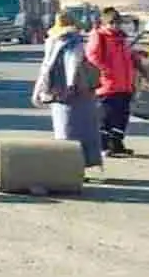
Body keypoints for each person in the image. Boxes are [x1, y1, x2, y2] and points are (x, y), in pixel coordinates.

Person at [31, 12, 103, 169]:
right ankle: (82, 163)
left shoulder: (57, 42)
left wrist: (39, 92)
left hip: (62, 94)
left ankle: (70, 166)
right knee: (84, 130)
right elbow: (73, 64)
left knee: (66, 131)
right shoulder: (75, 42)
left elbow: (48, 68)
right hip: (80, 93)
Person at [85, 6, 138, 157]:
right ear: (105, 22)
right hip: (108, 85)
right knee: (106, 116)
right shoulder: (99, 36)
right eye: (112, 22)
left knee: (122, 116)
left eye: (117, 22)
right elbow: (92, 55)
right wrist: (106, 70)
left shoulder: (121, 37)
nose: (115, 25)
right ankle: (103, 145)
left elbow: (126, 57)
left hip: (125, 83)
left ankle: (117, 144)